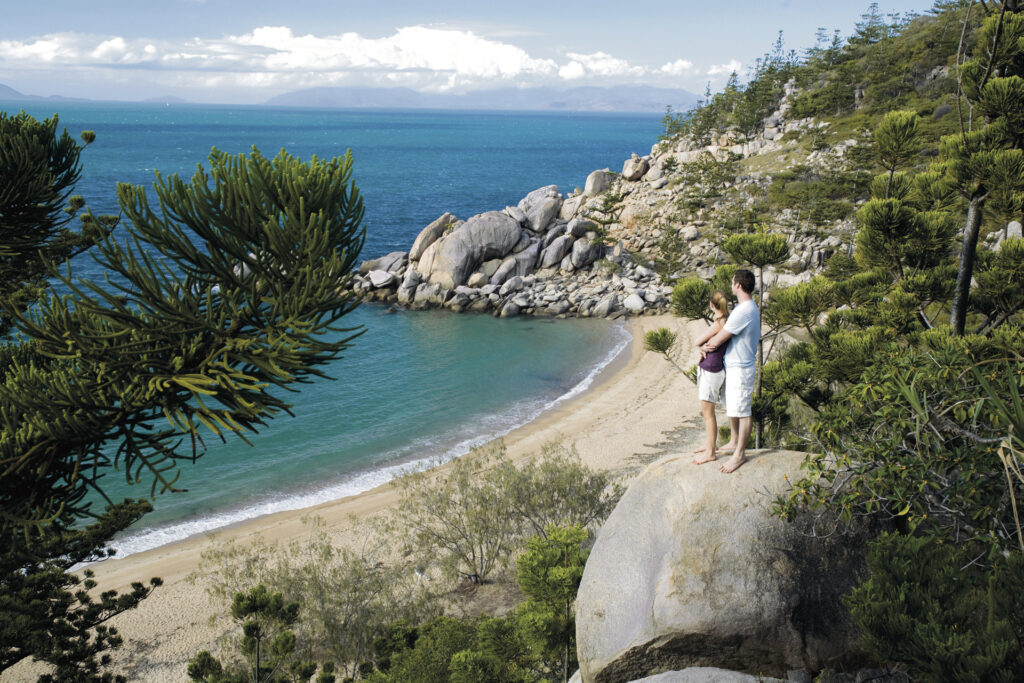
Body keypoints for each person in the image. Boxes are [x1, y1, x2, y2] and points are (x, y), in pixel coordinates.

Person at [701, 269, 759, 474]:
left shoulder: (744, 311)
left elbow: (718, 339)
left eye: (733, 282)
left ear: (738, 286)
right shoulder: (746, 308)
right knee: (733, 407)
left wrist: (704, 346)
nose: (731, 284)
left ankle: (740, 454)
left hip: (741, 368)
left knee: (742, 411)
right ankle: (734, 441)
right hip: (735, 365)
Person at [692, 290, 730, 465]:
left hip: (711, 371)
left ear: (712, 305)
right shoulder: (728, 320)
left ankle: (710, 452)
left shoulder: (718, 323)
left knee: (708, 414)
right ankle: (709, 445)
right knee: (707, 411)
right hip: (713, 369)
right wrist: (703, 348)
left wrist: (702, 346)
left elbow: (697, 340)